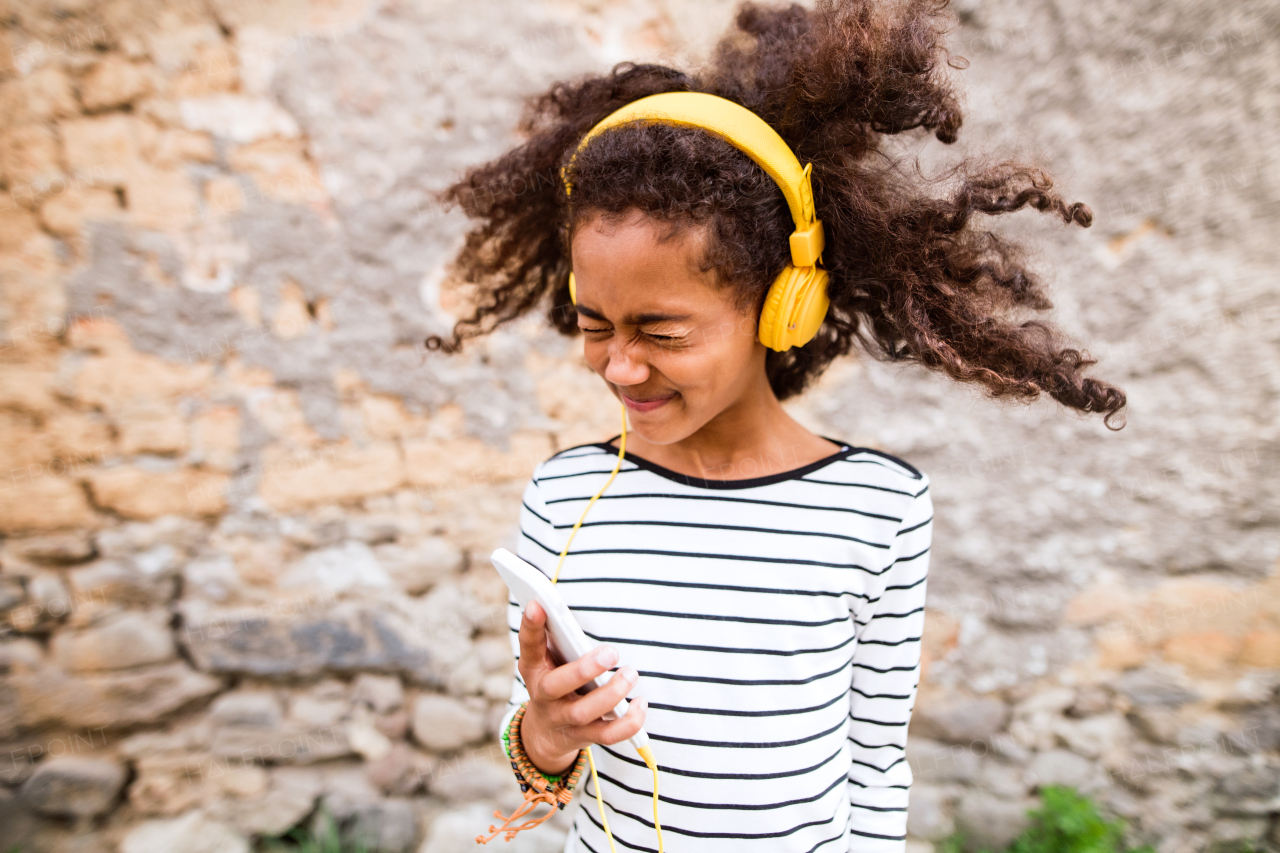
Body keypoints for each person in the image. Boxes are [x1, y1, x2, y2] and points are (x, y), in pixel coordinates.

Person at [425, 1, 1127, 850]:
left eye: (660, 331)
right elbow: (539, 770)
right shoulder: (565, 497)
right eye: (594, 324)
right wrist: (545, 729)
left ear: (783, 307)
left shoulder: (881, 508)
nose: (618, 366)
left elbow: (874, 769)